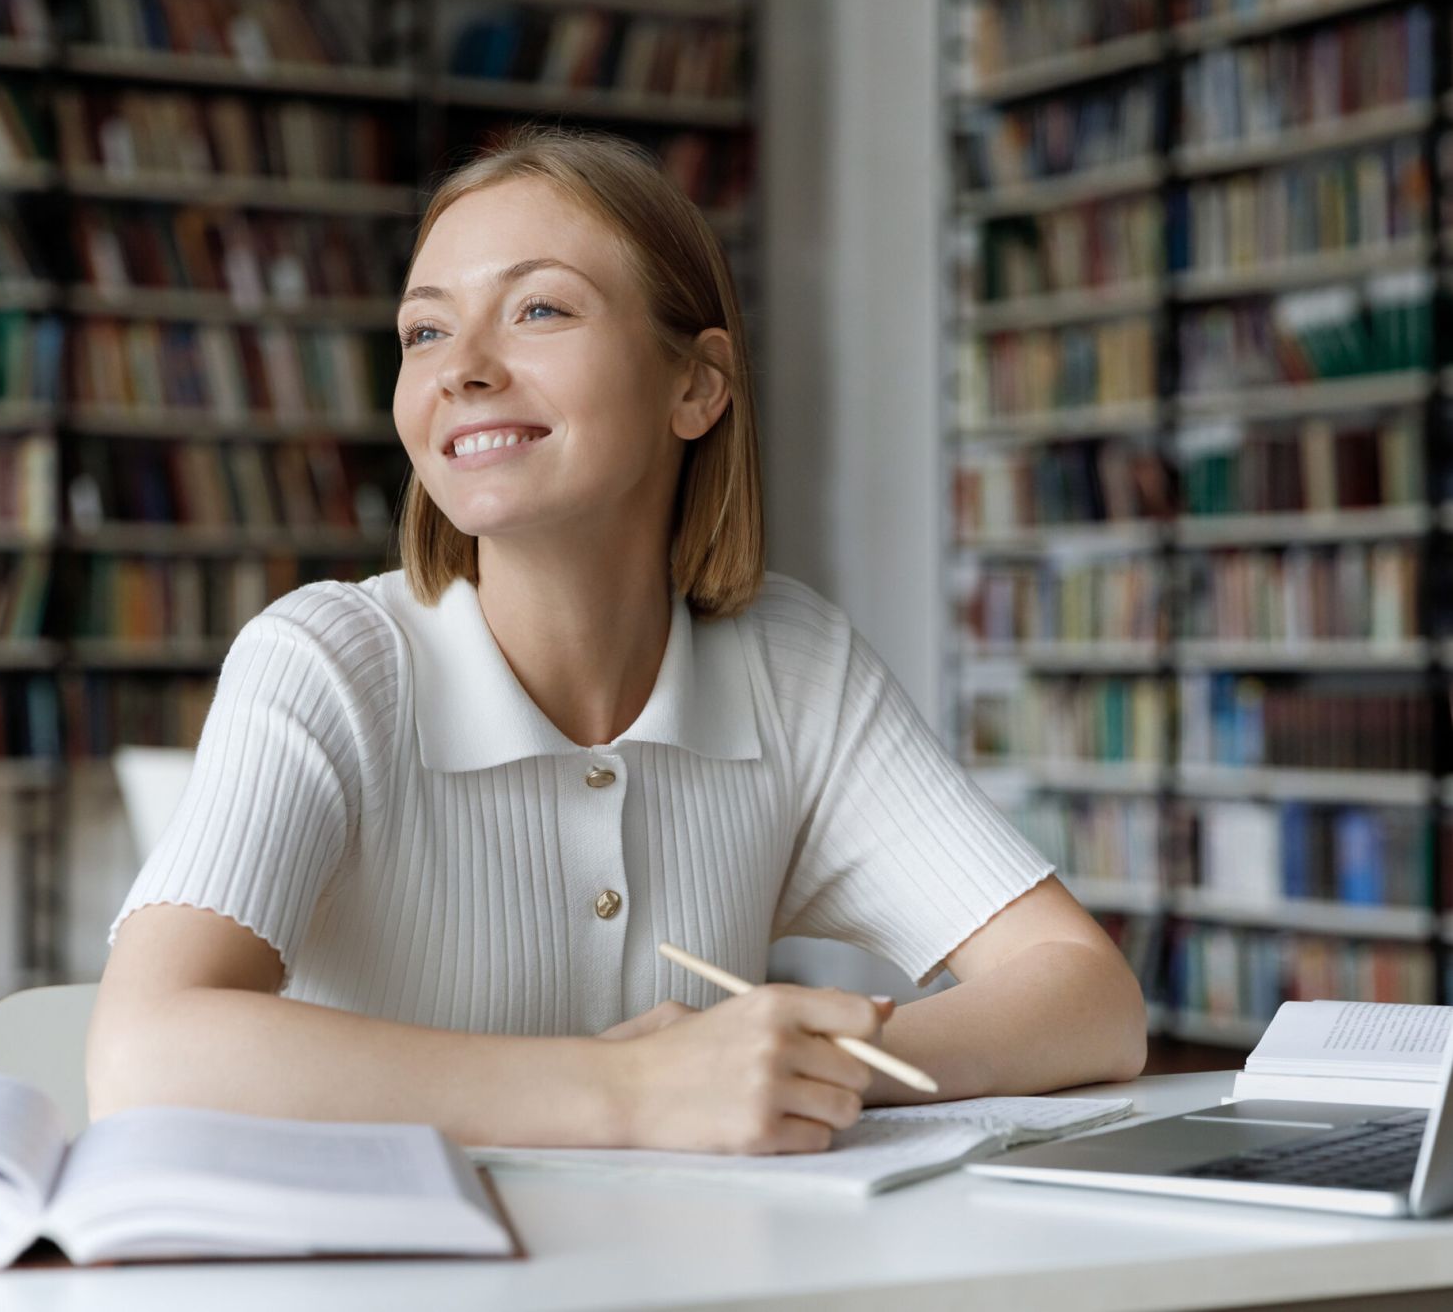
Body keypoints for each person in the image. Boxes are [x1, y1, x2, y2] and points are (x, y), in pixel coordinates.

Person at [88, 123, 1146, 1156]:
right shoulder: (323, 663)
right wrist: (631, 1090)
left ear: (695, 384)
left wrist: (803, 1064)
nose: (462, 367)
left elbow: (1090, 996)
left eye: (538, 308)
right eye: (425, 330)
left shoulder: (793, 663)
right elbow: (144, 1052)